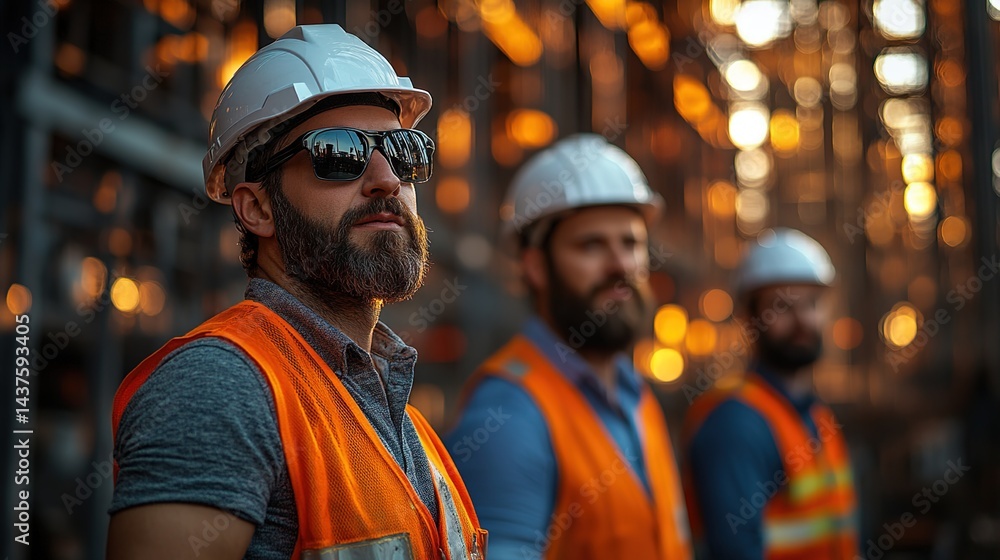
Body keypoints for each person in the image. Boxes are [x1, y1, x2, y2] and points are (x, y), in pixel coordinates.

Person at [107, 25, 486, 560]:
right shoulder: (220, 388)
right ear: (257, 208)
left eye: (403, 152)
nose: (385, 179)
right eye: (337, 153)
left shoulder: (398, 418)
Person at [446, 134, 692, 559]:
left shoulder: (634, 392)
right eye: (591, 244)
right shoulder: (508, 414)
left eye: (631, 243)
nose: (620, 266)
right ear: (536, 266)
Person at [682, 228, 858, 559]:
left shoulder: (817, 417)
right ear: (750, 319)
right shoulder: (735, 424)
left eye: (812, 304)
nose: (802, 319)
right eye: (782, 306)